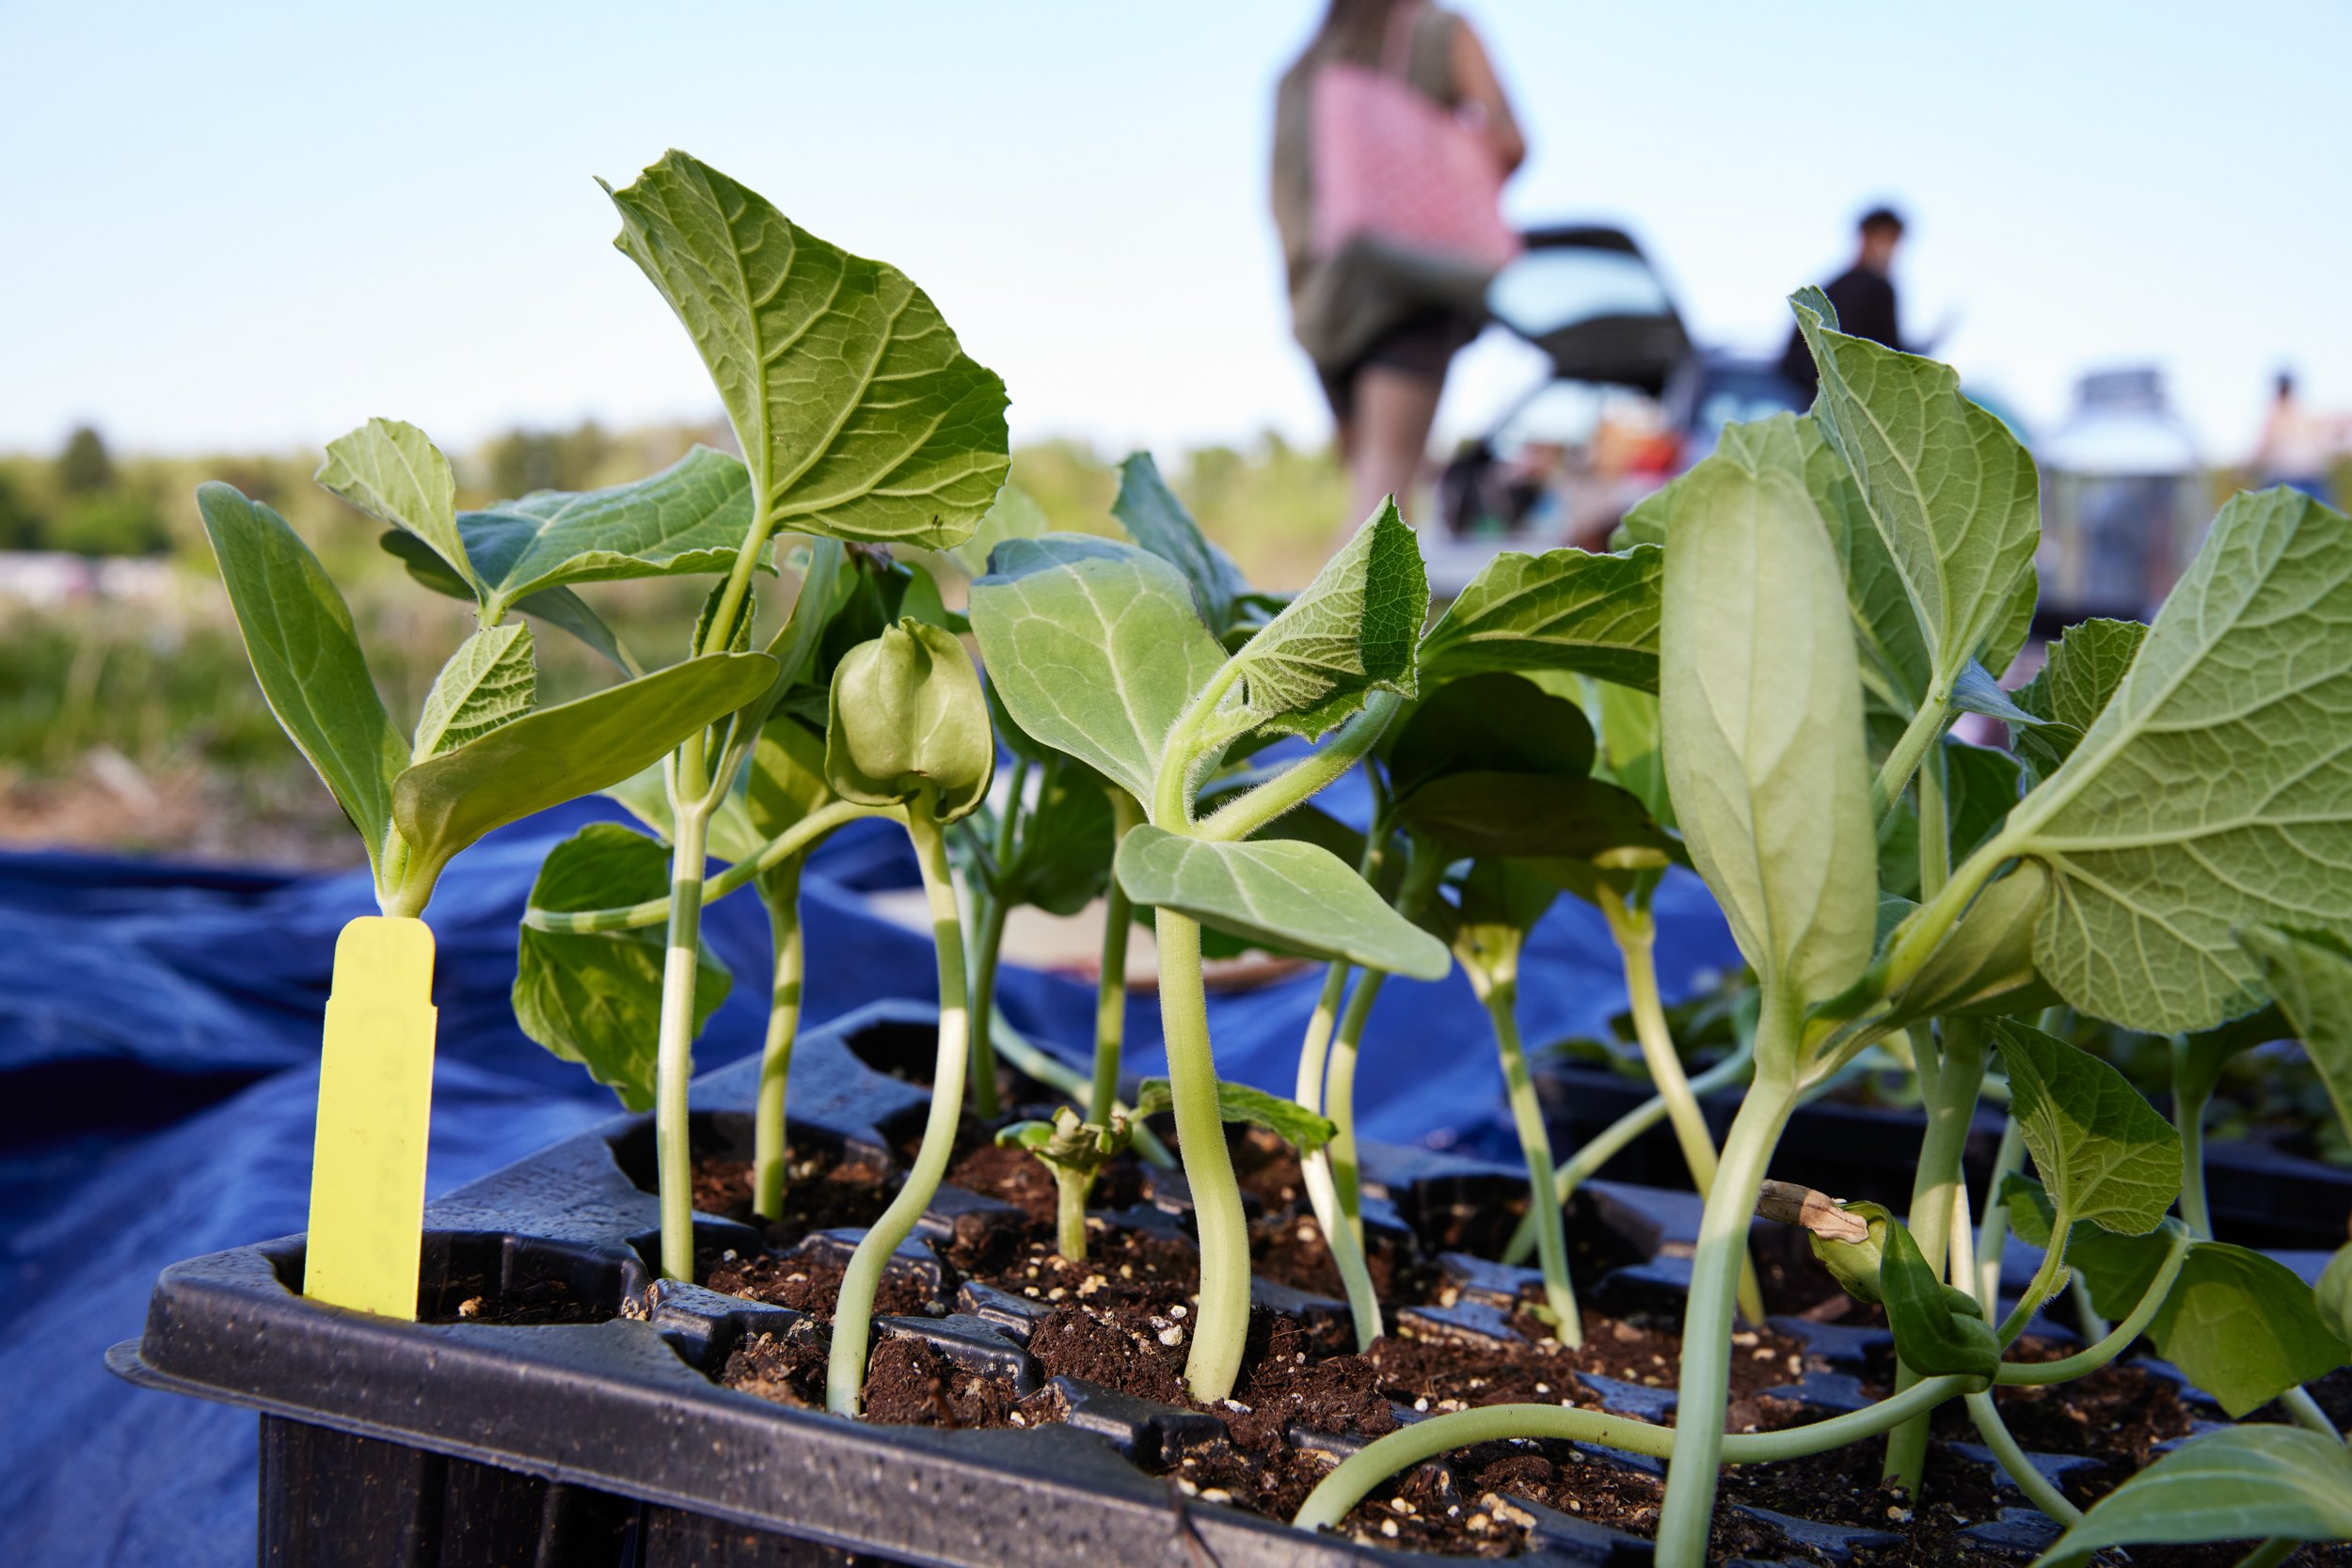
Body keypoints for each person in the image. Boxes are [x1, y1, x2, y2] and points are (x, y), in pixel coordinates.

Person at [1272, 0, 1525, 527]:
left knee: (1367, 488)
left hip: (1322, 303)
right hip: (1412, 285)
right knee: (1383, 502)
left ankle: (1339, 608)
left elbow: (1280, 200)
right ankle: (1364, 614)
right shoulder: (1442, 32)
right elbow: (1512, 141)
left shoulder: (1301, 68)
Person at [1778, 207, 1908, 397]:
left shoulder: (1830, 287)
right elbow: (1892, 359)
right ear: (1866, 237)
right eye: (1887, 240)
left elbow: (1790, 361)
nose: (1891, 250)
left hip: (1819, 406)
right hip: (1856, 405)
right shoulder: (1876, 289)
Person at [2251, 371, 2346, 503]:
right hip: (2299, 476)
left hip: (2298, 477)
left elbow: (2263, 447)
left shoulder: (2283, 415)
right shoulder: (2298, 412)